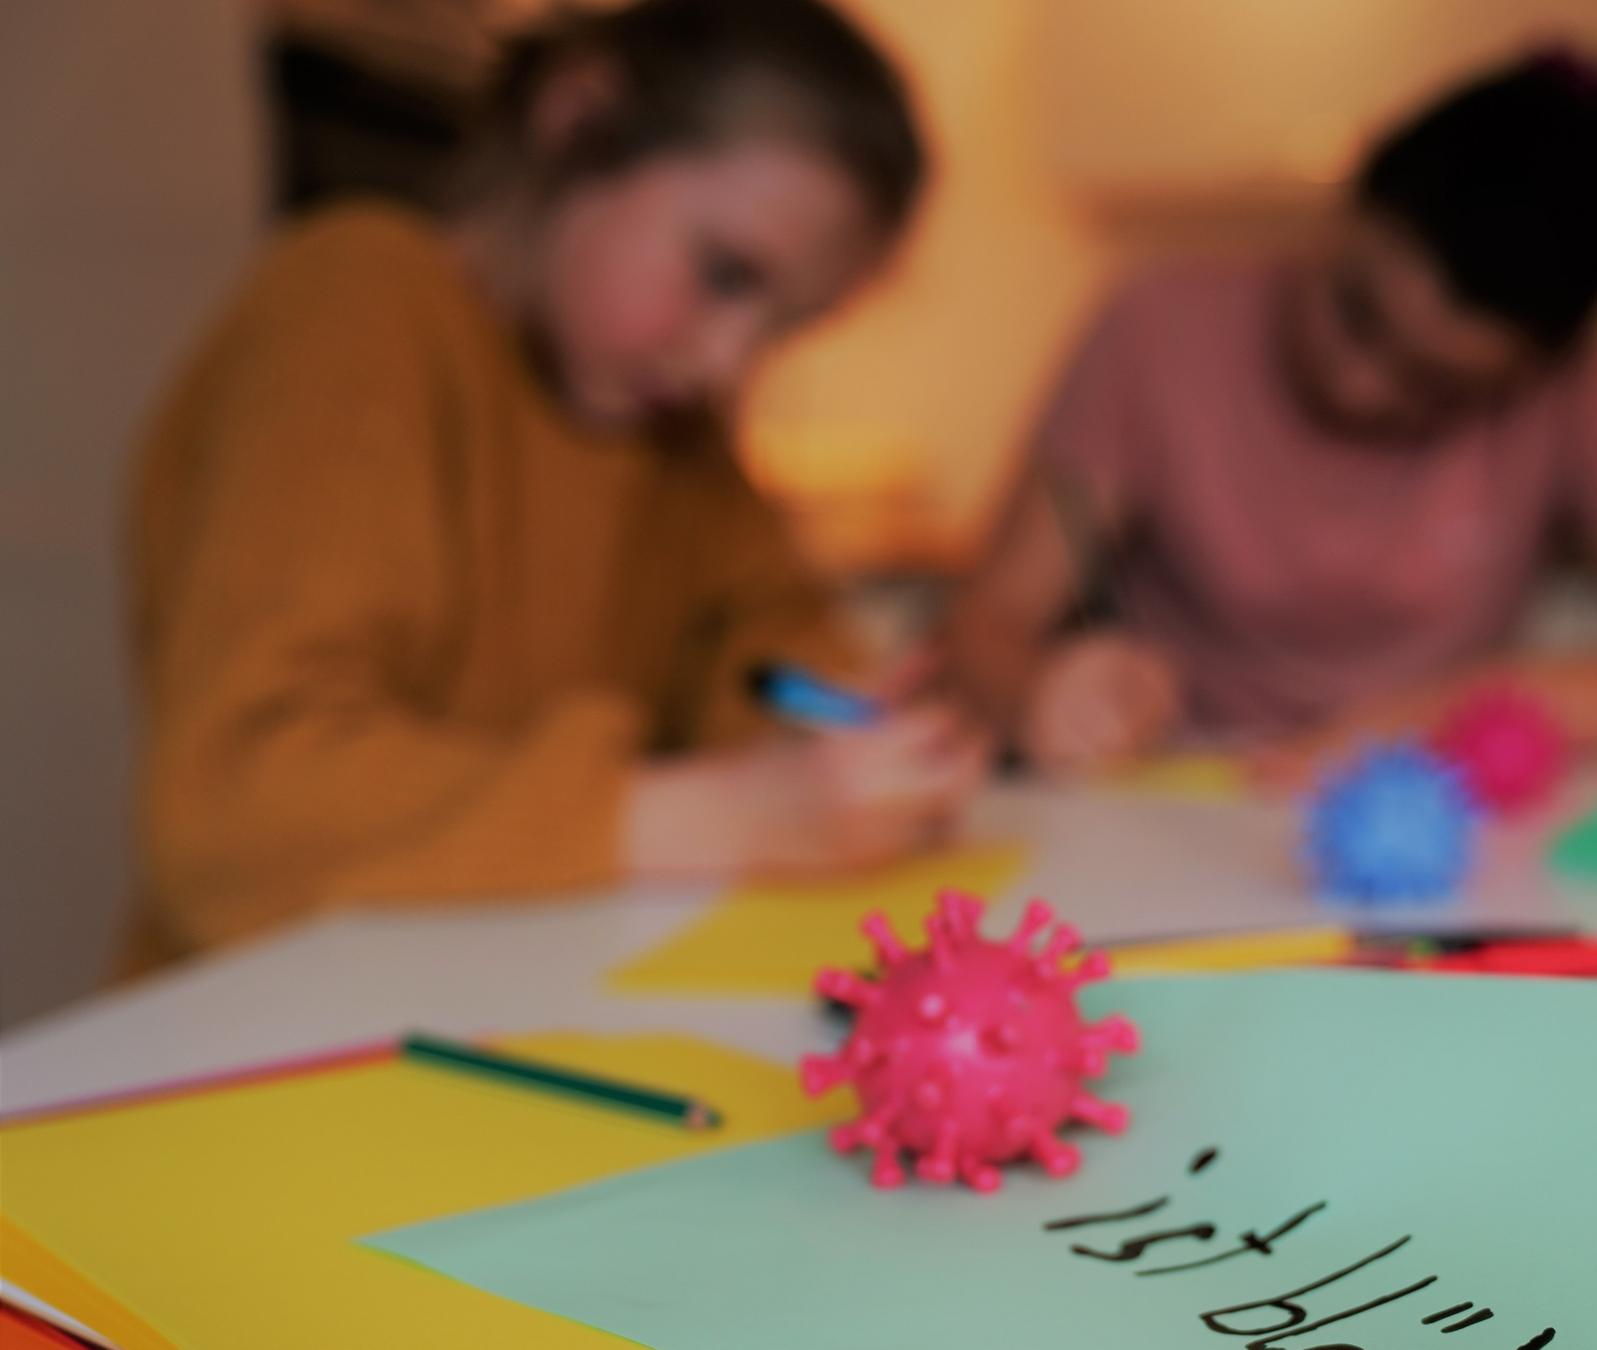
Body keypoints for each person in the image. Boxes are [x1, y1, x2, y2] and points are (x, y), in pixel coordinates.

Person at [127, 0, 985, 966]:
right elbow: (237, 804)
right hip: (260, 1018)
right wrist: (706, 815)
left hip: (519, 980)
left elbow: (767, 656)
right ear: (579, 119)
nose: (731, 361)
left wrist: (851, 740)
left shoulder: (681, 439)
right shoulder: (359, 300)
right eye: (725, 273)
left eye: (787, 324)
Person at [947, 51, 1597, 782]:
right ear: (1346, 198)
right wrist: (1039, 695)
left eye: (1438, 388)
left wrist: (1455, 708)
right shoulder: (1153, 327)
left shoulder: (1582, 393)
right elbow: (985, 628)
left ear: (1533, 374)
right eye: (1356, 310)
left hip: (1429, 821)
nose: (1360, 388)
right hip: (1173, 800)